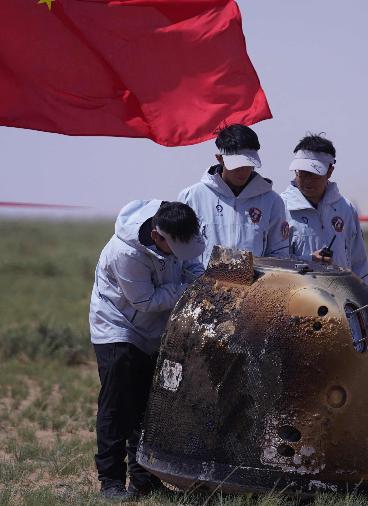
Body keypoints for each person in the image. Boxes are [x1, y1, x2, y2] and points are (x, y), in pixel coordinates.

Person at [88, 200, 205, 500]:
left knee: (148, 406)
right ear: (157, 236)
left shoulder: (179, 226)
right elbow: (146, 301)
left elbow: (192, 264)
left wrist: (196, 277)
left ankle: (144, 479)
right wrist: (187, 288)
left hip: (154, 329)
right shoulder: (125, 253)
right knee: (118, 407)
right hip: (118, 327)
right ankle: (111, 481)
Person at [178, 124, 290, 266]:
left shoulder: (272, 201)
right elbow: (180, 251)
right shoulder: (192, 197)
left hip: (254, 286)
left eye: (249, 164)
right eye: (236, 165)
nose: (243, 171)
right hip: (201, 284)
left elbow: (279, 252)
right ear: (220, 158)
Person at [280, 134, 368, 283]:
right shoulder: (280, 207)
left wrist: (363, 301)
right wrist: (308, 260)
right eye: (302, 173)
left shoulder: (346, 209)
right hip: (295, 297)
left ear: (329, 171)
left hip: (340, 297)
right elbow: (271, 260)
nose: (307, 181)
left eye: (314, 174)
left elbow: (359, 262)